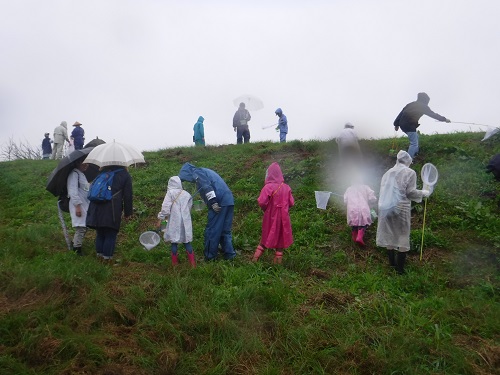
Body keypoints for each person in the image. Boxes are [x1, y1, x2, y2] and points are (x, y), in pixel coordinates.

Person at [376, 150, 430, 275]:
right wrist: (423, 193)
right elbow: (410, 192)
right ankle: (399, 270)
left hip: (386, 208)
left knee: (389, 233)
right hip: (401, 209)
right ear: (408, 161)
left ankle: (392, 264)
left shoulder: (387, 173)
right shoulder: (410, 172)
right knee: (403, 235)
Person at [179, 162, 237, 261]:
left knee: (212, 230)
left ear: (187, 173)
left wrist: (213, 202)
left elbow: (207, 186)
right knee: (224, 230)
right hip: (228, 200)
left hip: (218, 202)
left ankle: (210, 257)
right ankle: (230, 255)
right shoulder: (206, 171)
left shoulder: (197, 172)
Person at [86, 166, 133, 263]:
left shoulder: (101, 173)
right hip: (112, 208)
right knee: (110, 234)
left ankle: (99, 258)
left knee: (100, 233)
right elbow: (128, 195)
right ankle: (107, 260)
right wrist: (128, 213)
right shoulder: (124, 175)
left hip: (96, 208)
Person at [252, 162, 295, 264]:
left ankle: (254, 259)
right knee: (281, 237)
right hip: (284, 218)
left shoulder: (268, 187)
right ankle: (277, 264)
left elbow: (262, 201)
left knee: (266, 235)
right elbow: (291, 203)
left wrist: (266, 209)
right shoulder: (286, 187)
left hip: (270, 216)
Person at [394, 92, 451, 158]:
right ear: (425, 100)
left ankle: (415, 154)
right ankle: (408, 161)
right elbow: (433, 115)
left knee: (416, 137)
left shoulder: (410, 104)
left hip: (402, 124)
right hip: (409, 125)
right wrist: (445, 119)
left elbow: (400, 113)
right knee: (414, 144)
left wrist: (396, 124)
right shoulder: (423, 106)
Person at [157, 176, 196, 267]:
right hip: (185, 221)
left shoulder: (170, 193)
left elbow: (166, 208)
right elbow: (189, 207)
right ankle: (192, 264)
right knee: (187, 241)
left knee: (174, 241)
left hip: (174, 220)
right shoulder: (187, 194)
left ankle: (174, 264)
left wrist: (160, 218)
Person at [343, 176, 377, 246]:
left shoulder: (349, 189)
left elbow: (345, 200)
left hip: (352, 209)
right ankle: (359, 237)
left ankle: (354, 238)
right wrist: (373, 200)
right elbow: (372, 197)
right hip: (363, 208)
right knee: (364, 222)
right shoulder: (365, 187)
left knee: (354, 223)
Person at [67, 160, 90, 255]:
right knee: (81, 227)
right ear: (77, 163)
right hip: (78, 205)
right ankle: (77, 250)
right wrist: (77, 207)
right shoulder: (74, 174)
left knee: (84, 226)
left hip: (85, 204)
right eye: (83, 163)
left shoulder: (81, 174)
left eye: (87, 163)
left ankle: (75, 243)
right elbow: (73, 191)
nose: (86, 165)